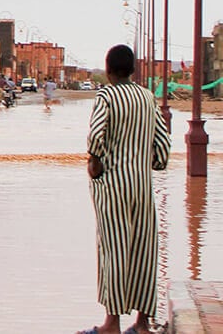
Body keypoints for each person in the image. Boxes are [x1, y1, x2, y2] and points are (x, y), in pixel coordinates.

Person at [81, 44, 170, 334]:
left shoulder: (107, 95)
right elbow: (162, 147)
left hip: (113, 187)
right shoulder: (147, 98)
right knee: (144, 250)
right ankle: (143, 324)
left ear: (108, 71)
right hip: (143, 187)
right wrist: (150, 163)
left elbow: (95, 136)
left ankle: (112, 324)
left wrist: (95, 164)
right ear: (132, 70)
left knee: (115, 249)